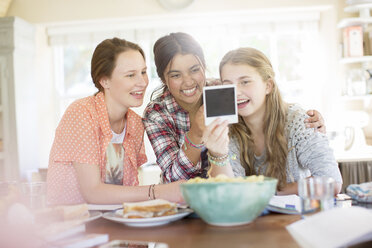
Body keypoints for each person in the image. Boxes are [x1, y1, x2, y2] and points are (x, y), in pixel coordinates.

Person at [143, 32, 326, 183]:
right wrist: (197, 133)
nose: (188, 81)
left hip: (230, 191)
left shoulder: (223, 90)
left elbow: (263, 104)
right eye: (176, 75)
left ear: (204, 67)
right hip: (182, 199)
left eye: (194, 70)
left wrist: (303, 119)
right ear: (163, 79)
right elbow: (173, 178)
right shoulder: (157, 113)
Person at [46, 38, 184, 205]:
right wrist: (159, 191)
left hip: (114, 223)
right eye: (130, 75)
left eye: (143, 72)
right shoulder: (81, 113)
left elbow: (128, 192)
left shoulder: (135, 123)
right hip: (72, 224)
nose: (142, 82)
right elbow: (93, 192)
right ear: (104, 81)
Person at [219, 47, 342, 195]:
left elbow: (332, 182)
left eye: (245, 82)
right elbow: (233, 191)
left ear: (268, 86)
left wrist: (275, 191)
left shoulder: (298, 121)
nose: (235, 92)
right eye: (227, 85)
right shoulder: (227, 131)